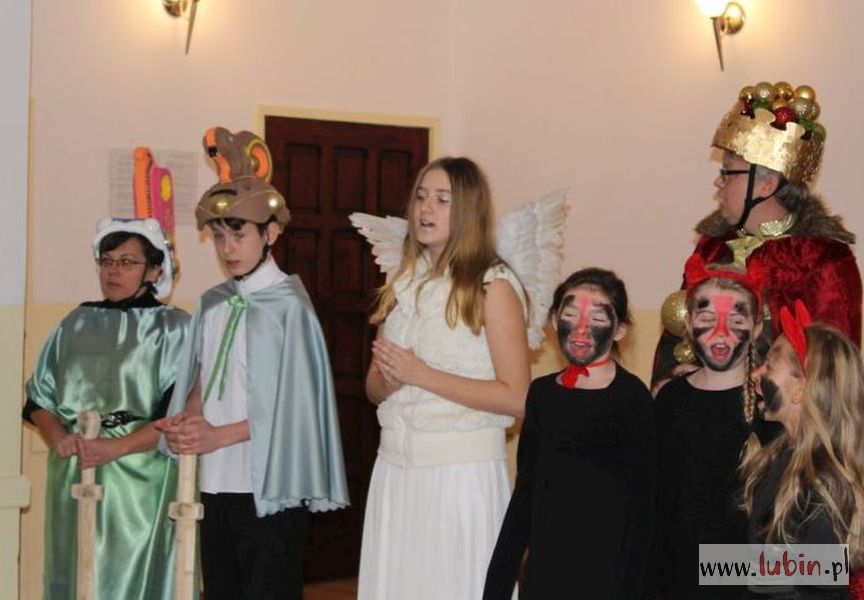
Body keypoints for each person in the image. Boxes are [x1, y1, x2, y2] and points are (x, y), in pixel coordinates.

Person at [159, 127, 348, 600]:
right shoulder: (213, 302)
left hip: (269, 486)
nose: (227, 248)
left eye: (239, 234)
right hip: (216, 480)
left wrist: (218, 435)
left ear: (272, 233)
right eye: (219, 236)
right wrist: (189, 420)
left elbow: (295, 412)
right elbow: (205, 379)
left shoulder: (290, 309)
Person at [357, 157, 532, 600]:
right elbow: (373, 389)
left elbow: (518, 398)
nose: (425, 208)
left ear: (468, 209)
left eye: (441, 199)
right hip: (395, 471)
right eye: (420, 197)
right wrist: (393, 379)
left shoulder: (493, 286)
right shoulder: (403, 282)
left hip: (459, 475)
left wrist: (421, 374)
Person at [654, 80, 861, 389]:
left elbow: (833, 374)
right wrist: (672, 378)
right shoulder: (712, 248)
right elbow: (678, 335)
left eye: (728, 172)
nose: (718, 183)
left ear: (766, 185)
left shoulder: (823, 260)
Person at [23, 217, 189, 600]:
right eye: (107, 261)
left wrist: (114, 447)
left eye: (127, 262)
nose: (113, 271)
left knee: (128, 577)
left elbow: (175, 413)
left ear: (155, 270)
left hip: (139, 478)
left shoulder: (173, 328)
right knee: (75, 570)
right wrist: (59, 438)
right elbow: (38, 400)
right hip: (77, 468)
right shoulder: (75, 324)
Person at [484, 268, 656, 600]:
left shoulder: (632, 398)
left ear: (620, 330)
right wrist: (498, 586)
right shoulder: (542, 394)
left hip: (607, 575)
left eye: (597, 318)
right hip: (547, 570)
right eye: (570, 315)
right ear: (553, 320)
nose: (580, 329)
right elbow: (525, 494)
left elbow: (644, 508)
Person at [655, 254, 765, 599]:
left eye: (736, 319)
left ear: (757, 328)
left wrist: (716, 568)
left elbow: (821, 560)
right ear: (688, 325)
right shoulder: (670, 400)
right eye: (707, 318)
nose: (721, 332)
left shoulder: (772, 407)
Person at [743, 301, 864, 598]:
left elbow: (818, 582)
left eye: (769, 366)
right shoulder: (780, 458)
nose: (756, 374)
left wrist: (716, 567)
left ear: (800, 390)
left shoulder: (822, 481)